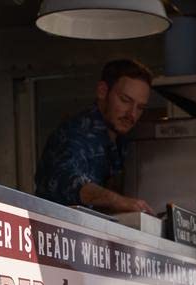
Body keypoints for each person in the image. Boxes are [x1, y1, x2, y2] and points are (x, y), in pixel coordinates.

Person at [34, 59, 154, 214]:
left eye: (140, 107)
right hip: (58, 234)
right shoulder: (74, 134)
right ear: (103, 91)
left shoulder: (123, 141)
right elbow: (68, 181)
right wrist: (118, 201)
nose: (132, 114)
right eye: (125, 100)